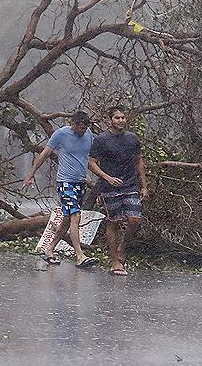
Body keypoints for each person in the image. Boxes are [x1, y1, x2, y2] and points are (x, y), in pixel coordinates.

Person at [23, 111, 99, 268]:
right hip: (65, 182)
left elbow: (93, 157)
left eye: (85, 128)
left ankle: (49, 249)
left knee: (66, 220)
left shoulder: (88, 134)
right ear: (73, 124)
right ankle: (80, 256)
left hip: (80, 182)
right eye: (80, 128)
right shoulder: (61, 134)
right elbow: (45, 154)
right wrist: (31, 174)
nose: (82, 131)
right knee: (75, 216)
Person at [88, 106, 149, 276]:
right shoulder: (101, 140)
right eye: (117, 118)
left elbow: (138, 162)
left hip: (130, 185)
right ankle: (115, 261)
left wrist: (144, 186)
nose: (121, 120)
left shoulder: (132, 139)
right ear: (110, 120)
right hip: (110, 187)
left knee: (135, 220)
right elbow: (91, 162)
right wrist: (106, 177)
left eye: (123, 117)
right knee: (113, 222)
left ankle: (122, 247)